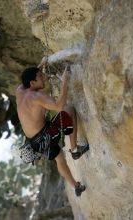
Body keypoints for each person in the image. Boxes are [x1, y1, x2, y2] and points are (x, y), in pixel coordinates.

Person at [16, 63, 89, 196]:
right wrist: (65, 81)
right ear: (32, 83)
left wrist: (38, 67)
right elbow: (59, 105)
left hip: (33, 143)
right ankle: (75, 149)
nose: (43, 78)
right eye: (40, 76)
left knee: (59, 157)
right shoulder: (36, 97)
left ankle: (76, 187)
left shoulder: (20, 91)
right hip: (45, 136)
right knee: (69, 109)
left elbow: (27, 78)